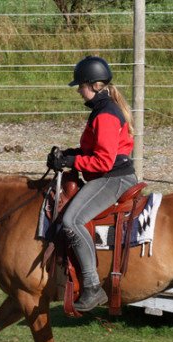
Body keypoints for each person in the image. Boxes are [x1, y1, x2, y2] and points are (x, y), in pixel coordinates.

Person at [47, 55, 138, 312]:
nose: (78, 90)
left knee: (71, 222)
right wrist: (66, 155)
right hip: (109, 175)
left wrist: (71, 162)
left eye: (81, 85)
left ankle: (92, 287)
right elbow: (92, 150)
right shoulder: (101, 111)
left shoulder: (106, 115)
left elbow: (103, 162)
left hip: (114, 179)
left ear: (95, 85)